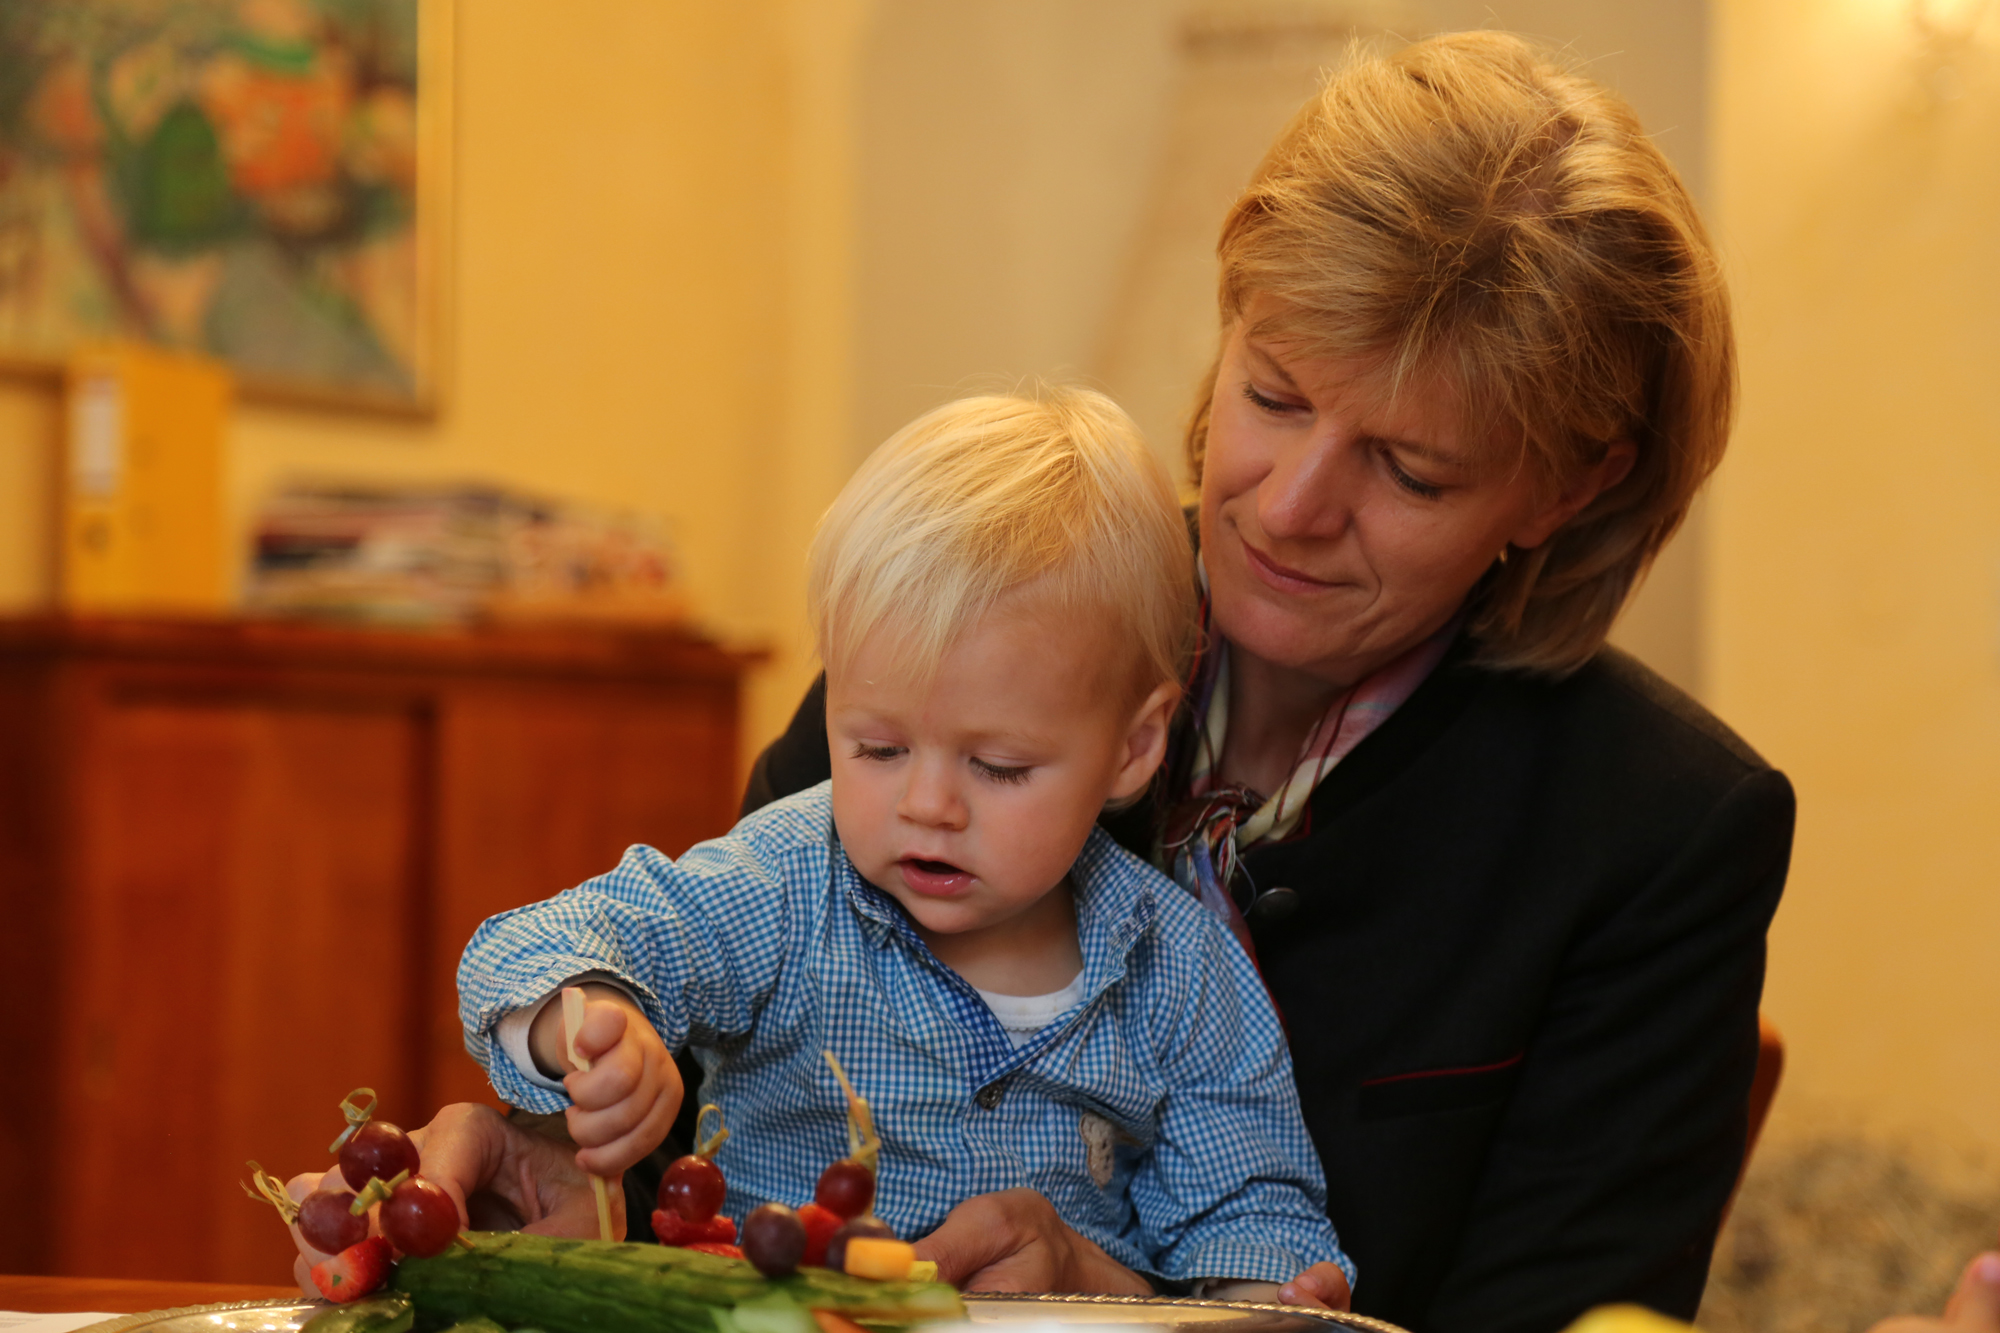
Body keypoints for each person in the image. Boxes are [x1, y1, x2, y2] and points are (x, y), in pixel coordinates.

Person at [306, 29, 1791, 1332]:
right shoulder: (960, 650)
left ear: (1570, 485)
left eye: (1407, 469)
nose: (1285, 504)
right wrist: (572, 1164)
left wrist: (1134, 1309)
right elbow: (721, 1065)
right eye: (1271, 392)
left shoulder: (1659, 832)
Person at [451, 390, 1356, 1301]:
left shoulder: (1180, 968)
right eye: (878, 749)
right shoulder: (787, 881)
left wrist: (1266, 1297)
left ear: (1131, 747)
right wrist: (590, 1023)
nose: (927, 805)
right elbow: (529, 947)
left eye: (998, 766)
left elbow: (1247, 1215)